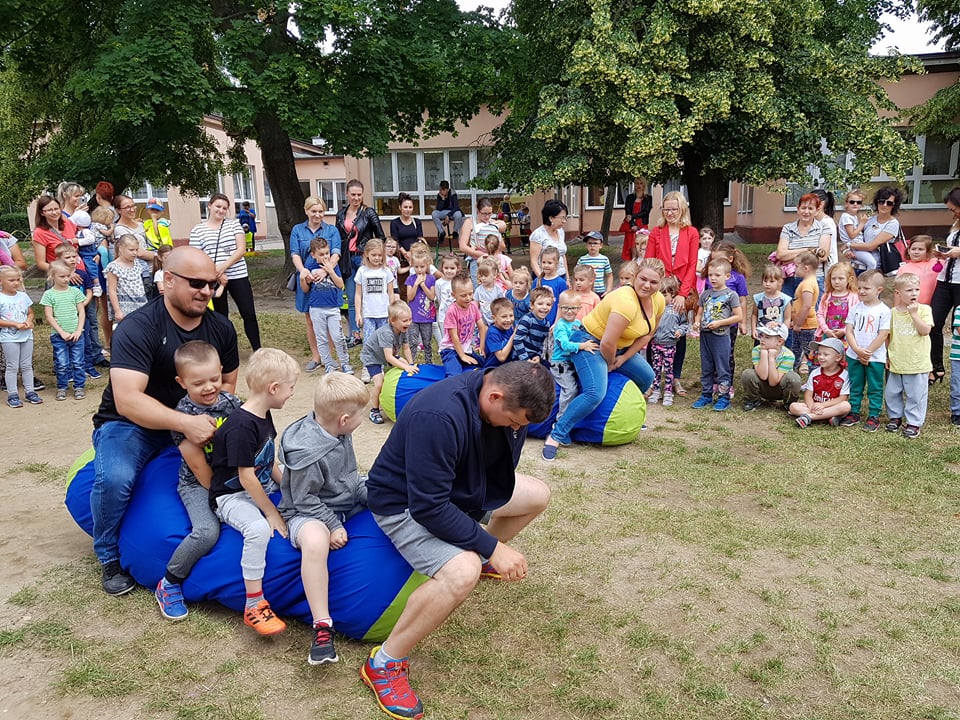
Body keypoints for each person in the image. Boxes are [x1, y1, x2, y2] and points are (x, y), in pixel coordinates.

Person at [361, 361, 554, 720]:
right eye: (514, 422)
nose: (517, 429)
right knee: (462, 572)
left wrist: (482, 541)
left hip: (460, 489)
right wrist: (492, 546)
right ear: (494, 396)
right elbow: (429, 507)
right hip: (404, 504)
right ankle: (384, 663)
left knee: (538, 494)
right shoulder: (438, 414)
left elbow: (501, 467)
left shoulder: (505, 402)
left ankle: (479, 558)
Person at [91, 245, 239, 596]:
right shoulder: (138, 327)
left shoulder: (221, 328)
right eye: (196, 283)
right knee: (115, 479)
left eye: (212, 283)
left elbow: (228, 385)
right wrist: (185, 424)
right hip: (130, 425)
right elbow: (128, 400)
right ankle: (108, 555)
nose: (206, 291)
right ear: (168, 280)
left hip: (195, 422)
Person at [278, 373, 370, 665]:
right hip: (305, 512)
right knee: (316, 540)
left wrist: (372, 493)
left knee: (389, 492)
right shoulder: (309, 454)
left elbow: (350, 475)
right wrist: (332, 524)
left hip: (342, 501)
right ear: (344, 419)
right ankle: (322, 625)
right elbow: (303, 499)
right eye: (361, 415)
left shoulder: (339, 432)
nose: (362, 419)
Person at [209, 348, 299, 636]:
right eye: (291, 387)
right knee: (258, 529)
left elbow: (268, 461)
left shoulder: (264, 415)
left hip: (258, 485)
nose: (292, 393)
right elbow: (246, 477)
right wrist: (271, 513)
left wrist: (290, 487)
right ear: (274, 388)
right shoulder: (241, 426)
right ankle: (254, 603)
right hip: (230, 496)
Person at [542, 259, 665, 460]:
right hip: (590, 342)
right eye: (643, 279)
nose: (647, 285)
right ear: (635, 276)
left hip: (619, 347)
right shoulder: (625, 301)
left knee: (647, 377)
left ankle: (628, 414)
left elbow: (648, 333)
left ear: (660, 283)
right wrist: (610, 363)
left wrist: (623, 358)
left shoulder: (658, 300)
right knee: (594, 393)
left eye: (653, 282)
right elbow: (607, 343)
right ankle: (557, 434)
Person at [155, 341, 243, 621]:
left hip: (232, 475)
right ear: (182, 383)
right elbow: (198, 466)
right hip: (198, 483)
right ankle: (169, 581)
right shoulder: (184, 415)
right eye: (198, 383)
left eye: (214, 379)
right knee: (207, 532)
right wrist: (223, 499)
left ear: (221, 371)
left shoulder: (231, 403)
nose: (208, 387)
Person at [189, 192, 261, 351]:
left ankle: (258, 349)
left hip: (238, 275)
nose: (221, 210)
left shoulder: (234, 225)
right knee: (220, 317)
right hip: (213, 278)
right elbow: (197, 257)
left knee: (248, 313)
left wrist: (221, 268)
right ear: (209, 206)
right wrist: (214, 273)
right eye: (218, 206)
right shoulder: (198, 230)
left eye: (224, 208)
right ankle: (224, 350)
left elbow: (241, 249)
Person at [644, 192, 699, 396]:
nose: (670, 213)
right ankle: (651, 379)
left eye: (674, 209)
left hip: (681, 289)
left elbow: (692, 264)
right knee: (654, 329)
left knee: (678, 332)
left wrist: (682, 294)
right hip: (660, 287)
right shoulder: (656, 232)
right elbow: (649, 262)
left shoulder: (691, 232)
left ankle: (675, 377)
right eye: (666, 209)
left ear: (682, 209)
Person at [290, 195, 342, 371]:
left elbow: (336, 253)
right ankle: (316, 357)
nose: (317, 215)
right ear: (306, 211)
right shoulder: (297, 230)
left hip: (328, 280)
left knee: (330, 320)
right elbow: (295, 253)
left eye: (320, 211)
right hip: (307, 279)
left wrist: (325, 270)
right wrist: (303, 271)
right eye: (313, 211)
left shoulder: (332, 230)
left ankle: (329, 357)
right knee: (311, 320)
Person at [839, 270, 890, 432]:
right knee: (855, 384)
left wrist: (867, 352)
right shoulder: (855, 308)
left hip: (875, 357)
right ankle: (854, 411)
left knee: (875, 387)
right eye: (859, 288)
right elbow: (849, 330)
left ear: (879, 290)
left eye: (866, 288)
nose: (861, 291)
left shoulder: (884, 311)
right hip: (854, 355)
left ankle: (874, 415)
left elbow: (883, 334)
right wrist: (856, 349)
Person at [337, 179, 387, 345]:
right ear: (347, 194)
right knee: (352, 297)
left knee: (371, 295)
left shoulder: (368, 213)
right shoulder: (341, 214)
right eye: (353, 194)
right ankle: (355, 334)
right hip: (347, 259)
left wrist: (376, 256)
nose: (356, 198)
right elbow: (338, 238)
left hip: (364, 258)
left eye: (359, 195)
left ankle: (374, 330)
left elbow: (380, 236)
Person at [884, 273, 932, 438]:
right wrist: (887, 356)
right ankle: (895, 417)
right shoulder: (892, 313)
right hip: (897, 360)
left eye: (917, 289)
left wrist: (914, 314)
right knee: (892, 392)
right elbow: (888, 336)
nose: (914, 293)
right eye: (909, 290)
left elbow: (925, 330)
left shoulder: (924, 310)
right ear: (898, 293)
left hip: (917, 362)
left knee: (915, 395)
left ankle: (913, 422)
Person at [692, 258, 742, 412]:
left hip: (721, 336)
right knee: (706, 366)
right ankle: (706, 394)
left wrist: (720, 323)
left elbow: (738, 316)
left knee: (722, 367)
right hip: (705, 335)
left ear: (727, 276)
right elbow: (699, 313)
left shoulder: (731, 295)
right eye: (710, 275)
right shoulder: (705, 294)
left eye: (717, 275)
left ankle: (723, 397)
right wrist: (696, 322)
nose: (713, 278)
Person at [360, 300, 418, 424]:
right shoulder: (386, 333)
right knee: (379, 383)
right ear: (392, 321)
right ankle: (374, 410)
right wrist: (406, 367)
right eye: (405, 321)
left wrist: (411, 364)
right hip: (372, 357)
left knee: (406, 365)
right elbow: (389, 358)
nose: (408, 323)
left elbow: (406, 348)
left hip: (389, 353)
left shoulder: (403, 330)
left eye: (410, 319)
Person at [302, 237, 352, 375]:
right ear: (313, 255)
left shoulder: (333, 266)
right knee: (321, 338)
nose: (325, 257)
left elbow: (340, 284)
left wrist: (330, 271)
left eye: (327, 253)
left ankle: (345, 363)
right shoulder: (310, 267)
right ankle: (328, 363)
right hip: (316, 308)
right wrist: (303, 279)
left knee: (338, 337)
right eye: (321, 254)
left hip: (333, 308)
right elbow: (305, 289)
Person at [927, 187, 960, 383]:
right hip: (944, 280)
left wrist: (958, 252)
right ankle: (936, 367)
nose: (952, 213)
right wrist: (943, 253)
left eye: (953, 209)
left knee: (958, 327)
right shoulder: (956, 224)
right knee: (933, 322)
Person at [41, 260, 86, 401]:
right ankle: (62, 387)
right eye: (62, 276)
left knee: (78, 363)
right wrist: (61, 332)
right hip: (59, 336)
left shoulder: (75, 292)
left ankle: (79, 386)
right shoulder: (49, 294)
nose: (66, 279)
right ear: (52, 276)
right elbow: (49, 316)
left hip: (77, 334)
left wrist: (79, 330)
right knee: (62, 363)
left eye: (68, 276)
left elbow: (81, 312)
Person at [551, 290, 598, 416]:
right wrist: (583, 346)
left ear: (579, 309)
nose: (569, 311)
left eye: (573, 308)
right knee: (570, 390)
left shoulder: (578, 324)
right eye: (565, 308)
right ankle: (561, 419)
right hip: (560, 364)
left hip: (572, 362)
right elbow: (565, 346)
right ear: (559, 307)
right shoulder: (560, 326)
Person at [774, 192, 830, 298]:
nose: (806, 212)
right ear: (798, 209)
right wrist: (808, 250)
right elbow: (780, 255)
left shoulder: (824, 228)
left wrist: (790, 258)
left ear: (816, 211)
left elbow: (823, 256)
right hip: (789, 279)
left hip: (814, 279)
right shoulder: (788, 228)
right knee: (789, 308)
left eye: (810, 208)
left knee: (811, 309)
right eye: (803, 208)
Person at [0, 266, 41, 407]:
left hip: (26, 335)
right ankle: (12, 394)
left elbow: (30, 312)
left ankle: (30, 391)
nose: (16, 283)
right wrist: (14, 324)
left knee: (26, 365)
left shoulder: (23, 296)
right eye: (11, 280)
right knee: (12, 366)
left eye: (18, 280)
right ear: (1, 281)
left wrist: (29, 321)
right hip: (9, 337)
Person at [789, 338, 851, 428]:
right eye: (819, 353)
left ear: (838, 357)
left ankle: (809, 417)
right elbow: (808, 395)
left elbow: (842, 399)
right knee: (793, 406)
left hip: (832, 406)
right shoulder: (815, 373)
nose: (821, 357)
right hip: (815, 406)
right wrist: (812, 407)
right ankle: (828, 416)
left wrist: (822, 405)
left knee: (846, 406)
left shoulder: (844, 375)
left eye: (826, 354)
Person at [647, 276, 688, 406]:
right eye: (659, 295)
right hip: (655, 344)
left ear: (673, 294)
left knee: (669, 369)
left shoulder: (677, 309)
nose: (661, 298)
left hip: (670, 345)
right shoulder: (654, 308)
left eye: (664, 295)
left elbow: (685, 324)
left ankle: (668, 392)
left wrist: (680, 331)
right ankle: (656, 390)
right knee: (656, 368)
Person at [741, 323, 801, 411]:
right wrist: (764, 354)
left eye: (767, 337)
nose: (762, 339)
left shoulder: (788, 355)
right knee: (748, 374)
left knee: (793, 378)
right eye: (762, 335)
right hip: (763, 386)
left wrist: (772, 359)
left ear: (780, 342)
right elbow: (763, 376)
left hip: (780, 388)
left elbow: (773, 382)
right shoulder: (757, 350)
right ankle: (753, 400)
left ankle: (789, 403)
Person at [845, 187, 902, 277]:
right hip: (856, 266)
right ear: (877, 202)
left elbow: (871, 246)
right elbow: (857, 237)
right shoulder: (870, 220)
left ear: (894, 205)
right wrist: (847, 250)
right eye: (881, 201)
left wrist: (848, 245)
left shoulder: (892, 224)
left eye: (889, 203)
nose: (884, 205)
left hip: (873, 270)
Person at [439, 273, 486, 376]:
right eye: (463, 295)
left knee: (485, 364)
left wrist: (482, 346)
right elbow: (454, 336)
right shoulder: (452, 311)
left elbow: (482, 326)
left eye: (470, 294)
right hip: (450, 349)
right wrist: (462, 355)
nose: (468, 298)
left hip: (466, 348)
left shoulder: (473, 306)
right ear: (453, 295)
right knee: (454, 374)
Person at [113, 194, 157, 300]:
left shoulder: (142, 224)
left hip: (155, 270)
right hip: (141, 275)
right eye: (127, 207)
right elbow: (138, 252)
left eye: (133, 206)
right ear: (118, 210)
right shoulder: (120, 230)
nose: (132, 209)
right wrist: (159, 255)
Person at [458, 199, 507, 286]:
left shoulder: (493, 223)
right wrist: (482, 254)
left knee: (495, 286)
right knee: (479, 287)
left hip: (493, 260)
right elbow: (462, 246)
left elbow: (502, 246)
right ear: (478, 210)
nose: (487, 216)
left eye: (490, 213)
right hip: (477, 261)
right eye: (484, 213)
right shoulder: (470, 222)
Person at [355, 238, 396, 342]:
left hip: (384, 313)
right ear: (366, 254)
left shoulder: (386, 271)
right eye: (374, 255)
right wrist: (358, 313)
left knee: (384, 342)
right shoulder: (362, 271)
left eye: (379, 255)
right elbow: (358, 294)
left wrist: (392, 312)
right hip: (368, 314)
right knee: (369, 342)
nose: (377, 258)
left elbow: (391, 293)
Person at [105, 235, 148, 327]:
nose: (135, 253)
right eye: (131, 250)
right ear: (121, 249)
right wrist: (117, 311)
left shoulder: (137, 263)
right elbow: (112, 290)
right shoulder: (114, 267)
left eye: (136, 250)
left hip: (140, 305)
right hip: (124, 308)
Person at [789, 252, 821, 373]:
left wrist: (798, 324)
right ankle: (790, 372)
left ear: (806, 268)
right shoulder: (806, 282)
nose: (794, 269)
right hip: (801, 325)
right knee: (795, 350)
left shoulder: (808, 284)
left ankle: (815, 376)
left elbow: (807, 306)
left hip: (806, 326)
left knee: (810, 354)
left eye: (796, 266)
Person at [405, 248, 436, 364]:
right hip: (413, 317)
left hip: (427, 317)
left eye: (422, 267)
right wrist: (416, 284)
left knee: (427, 342)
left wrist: (422, 285)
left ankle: (429, 363)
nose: (419, 269)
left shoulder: (431, 278)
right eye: (416, 267)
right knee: (413, 342)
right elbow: (410, 297)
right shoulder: (410, 279)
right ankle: (411, 362)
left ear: (427, 265)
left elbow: (432, 296)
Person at [32, 195, 78, 274]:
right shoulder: (39, 233)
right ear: (42, 213)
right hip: (62, 275)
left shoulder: (68, 224)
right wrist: (65, 271)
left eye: (56, 209)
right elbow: (41, 263)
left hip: (80, 269)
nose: (54, 212)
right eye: (49, 210)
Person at [816, 262, 858, 342]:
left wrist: (844, 331)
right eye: (833, 278)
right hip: (828, 334)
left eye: (841, 278)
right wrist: (826, 330)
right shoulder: (826, 296)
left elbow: (856, 318)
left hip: (846, 337)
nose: (836, 281)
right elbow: (820, 314)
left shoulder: (854, 297)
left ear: (850, 279)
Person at [528, 199, 569, 280]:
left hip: (561, 276)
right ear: (551, 218)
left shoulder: (560, 231)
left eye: (565, 218)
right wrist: (543, 280)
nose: (564, 221)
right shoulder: (538, 235)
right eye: (562, 218)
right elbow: (534, 262)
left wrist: (567, 278)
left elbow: (562, 255)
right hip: (545, 277)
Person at [511, 287, 554, 364]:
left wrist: (537, 356)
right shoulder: (527, 319)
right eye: (540, 304)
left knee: (548, 367)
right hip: (520, 356)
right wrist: (526, 360)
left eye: (548, 304)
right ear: (532, 305)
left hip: (533, 356)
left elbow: (540, 344)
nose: (544, 307)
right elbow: (517, 340)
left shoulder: (547, 324)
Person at [751, 264, 793, 339]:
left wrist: (784, 333)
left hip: (777, 335)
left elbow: (787, 318)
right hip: (761, 334)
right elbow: (754, 314)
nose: (767, 284)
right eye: (765, 281)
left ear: (780, 282)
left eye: (771, 281)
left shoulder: (785, 299)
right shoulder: (758, 298)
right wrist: (754, 329)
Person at [897, 235, 940, 306]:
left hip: (934, 305)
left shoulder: (937, 262)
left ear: (928, 251)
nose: (916, 252)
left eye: (920, 249)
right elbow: (898, 290)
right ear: (908, 250)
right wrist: (897, 308)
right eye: (913, 249)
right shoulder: (903, 268)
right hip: (912, 306)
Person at [838, 190, 871, 271]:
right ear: (846, 203)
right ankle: (869, 277)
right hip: (854, 246)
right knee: (872, 263)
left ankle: (855, 267)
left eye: (858, 202)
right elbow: (852, 235)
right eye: (852, 202)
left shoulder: (853, 216)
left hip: (858, 245)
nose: (855, 204)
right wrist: (862, 223)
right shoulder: (847, 217)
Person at [621, 178, 653, 260]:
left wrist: (633, 216)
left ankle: (641, 264)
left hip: (642, 224)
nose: (638, 185)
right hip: (631, 226)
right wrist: (632, 225)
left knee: (642, 245)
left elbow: (646, 212)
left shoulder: (648, 198)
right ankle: (633, 263)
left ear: (644, 185)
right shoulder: (630, 197)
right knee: (631, 246)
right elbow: (628, 212)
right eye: (637, 183)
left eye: (641, 183)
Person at [434, 254, 461, 348]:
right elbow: (439, 297)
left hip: (457, 315)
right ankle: (447, 351)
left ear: (457, 268)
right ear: (442, 268)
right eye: (446, 268)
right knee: (446, 336)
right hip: (444, 315)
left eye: (452, 268)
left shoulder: (459, 282)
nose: (449, 271)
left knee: (457, 335)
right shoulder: (439, 283)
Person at [535, 246, 567, 326]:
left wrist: (556, 322)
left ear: (557, 264)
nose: (546, 265)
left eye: (549, 263)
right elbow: (532, 302)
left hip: (554, 322)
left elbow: (563, 305)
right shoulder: (537, 281)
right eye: (543, 262)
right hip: (538, 322)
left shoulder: (561, 283)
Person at [391, 192, 425, 266]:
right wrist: (405, 253)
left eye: (410, 207)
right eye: (405, 207)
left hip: (416, 256)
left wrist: (412, 252)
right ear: (400, 207)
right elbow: (395, 241)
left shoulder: (417, 222)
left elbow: (420, 239)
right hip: (401, 258)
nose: (408, 210)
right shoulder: (394, 223)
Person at [577, 231, 613, 296]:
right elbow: (576, 275)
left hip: (600, 291)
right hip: (585, 290)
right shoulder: (582, 259)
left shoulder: (604, 259)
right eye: (590, 243)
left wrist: (608, 290)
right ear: (586, 245)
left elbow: (609, 275)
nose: (592, 245)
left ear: (601, 245)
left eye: (595, 243)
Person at [483, 297, 516, 368]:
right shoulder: (492, 333)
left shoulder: (509, 328)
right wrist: (513, 336)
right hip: (494, 367)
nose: (508, 320)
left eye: (511, 315)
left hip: (508, 365)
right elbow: (501, 357)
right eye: (504, 316)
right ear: (494, 318)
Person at [430, 180, 465, 246]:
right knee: (434, 214)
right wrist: (442, 199)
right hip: (443, 212)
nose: (442, 191)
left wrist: (448, 215)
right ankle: (442, 232)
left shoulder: (453, 194)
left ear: (448, 189)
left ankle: (455, 231)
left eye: (444, 190)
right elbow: (439, 208)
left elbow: (456, 207)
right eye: (441, 190)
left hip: (452, 212)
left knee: (458, 214)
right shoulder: (439, 195)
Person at [474, 258, 505, 327]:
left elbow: (501, 306)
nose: (483, 278)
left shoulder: (498, 290)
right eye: (481, 276)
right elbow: (475, 307)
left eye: (486, 276)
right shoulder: (478, 291)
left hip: (495, 322)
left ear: (494, 275)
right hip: (482, 322)